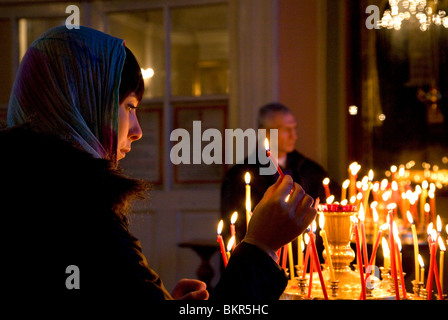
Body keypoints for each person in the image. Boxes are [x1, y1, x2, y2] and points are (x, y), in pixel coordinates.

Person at [0, 26, 317, 300]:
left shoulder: (41, 196)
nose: (137, 131)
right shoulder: (83, 220)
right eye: (128, 107)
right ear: (79, 107)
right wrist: (261, 247)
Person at [221, 102, 340, 243]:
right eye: (285, 129)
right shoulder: (240, 175)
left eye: (294, 128)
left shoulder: (310, 170)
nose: (293, 135)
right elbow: (235, 227)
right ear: (265, 132)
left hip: (307, 257)